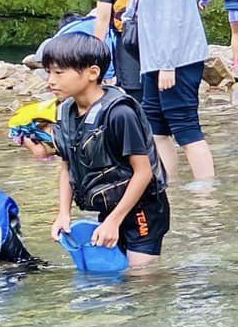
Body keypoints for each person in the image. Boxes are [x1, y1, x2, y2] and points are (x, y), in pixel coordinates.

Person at [39, 29, 169, 269]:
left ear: (92, 73)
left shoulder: (120, 113)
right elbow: (67, 167)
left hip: (143, 208)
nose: (51, 81)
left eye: (59, 72)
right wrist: (63, 214)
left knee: (141, 278)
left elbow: (143, 173)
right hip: (110, 207)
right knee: (114, 280)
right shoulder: (66, 112)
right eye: (48, 72)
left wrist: (114, 221)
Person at [107, 0, 215, 183]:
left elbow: (173, 17)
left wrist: (167, 65)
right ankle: (170, 186)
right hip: (156, 60)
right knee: (156, 124)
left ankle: (206, 193)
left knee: (185, 125)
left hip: (176, 60)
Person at [91, 0, 141, 98]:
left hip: (157, 39)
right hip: (128, 37)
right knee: (132, 89)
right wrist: (96, 55)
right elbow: (102, 18)